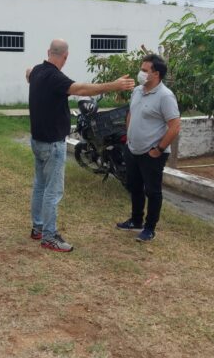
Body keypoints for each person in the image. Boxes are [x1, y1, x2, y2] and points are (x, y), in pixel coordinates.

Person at [28, 39, 135, 252]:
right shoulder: (56, 77)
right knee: (52, 191)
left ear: (48, 52)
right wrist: (113, 85)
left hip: (38, 141)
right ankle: (49, 236)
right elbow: (82, 89)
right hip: (52, 144)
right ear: (65, 57)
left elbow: (28, 72)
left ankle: (38, 228)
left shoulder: (37, 72)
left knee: (40, 185)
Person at [116, 54, 181, 242]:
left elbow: (175, 126)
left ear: (156, 74)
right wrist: (129, 138)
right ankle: (136, 220)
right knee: (134, 186)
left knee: (152, 191)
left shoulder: (165, 96)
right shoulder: (137, 91)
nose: (141, 73)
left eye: (145, 70)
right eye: (141, 69)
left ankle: (150, 228)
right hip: (133, 149)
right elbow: (131, 113)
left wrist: (159, 149)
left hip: (151, 153)